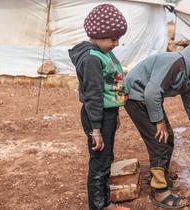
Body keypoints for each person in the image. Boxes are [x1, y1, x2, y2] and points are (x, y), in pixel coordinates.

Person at [124, 43, 190, 209]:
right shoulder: (176, 64)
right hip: (136, 96)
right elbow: (152, 93)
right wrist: (159, 122)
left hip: (148, 99)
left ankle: (160, 175)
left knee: (169, 138)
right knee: (159, 142)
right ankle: (160, 191)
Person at [68, 4, 129, 210]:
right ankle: (98, 206)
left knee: (106, 158)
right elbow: (93, 96)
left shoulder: (103, 52)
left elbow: (109, 88)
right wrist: (96, 130)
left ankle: (106, 203)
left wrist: (116, 111)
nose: (116, 43)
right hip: (97, 116)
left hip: (106, 114)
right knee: (99, 162)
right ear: (99, 35)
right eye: (113, 39)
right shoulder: (92, 59)